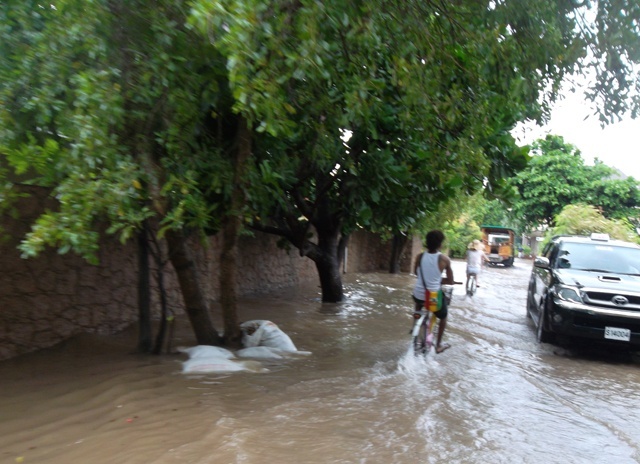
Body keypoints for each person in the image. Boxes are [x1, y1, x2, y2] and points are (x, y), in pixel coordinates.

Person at [412, 230, 459, 354]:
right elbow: (450, 280)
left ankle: (416, 323)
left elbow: (416, 273)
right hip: (433, 297)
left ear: (426, 243)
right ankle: (438, 345)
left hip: (418, 294)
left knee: (419, 305)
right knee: (443, 316)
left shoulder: (420, 256)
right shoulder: (444, 259)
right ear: (440, 244)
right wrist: (438, 279)